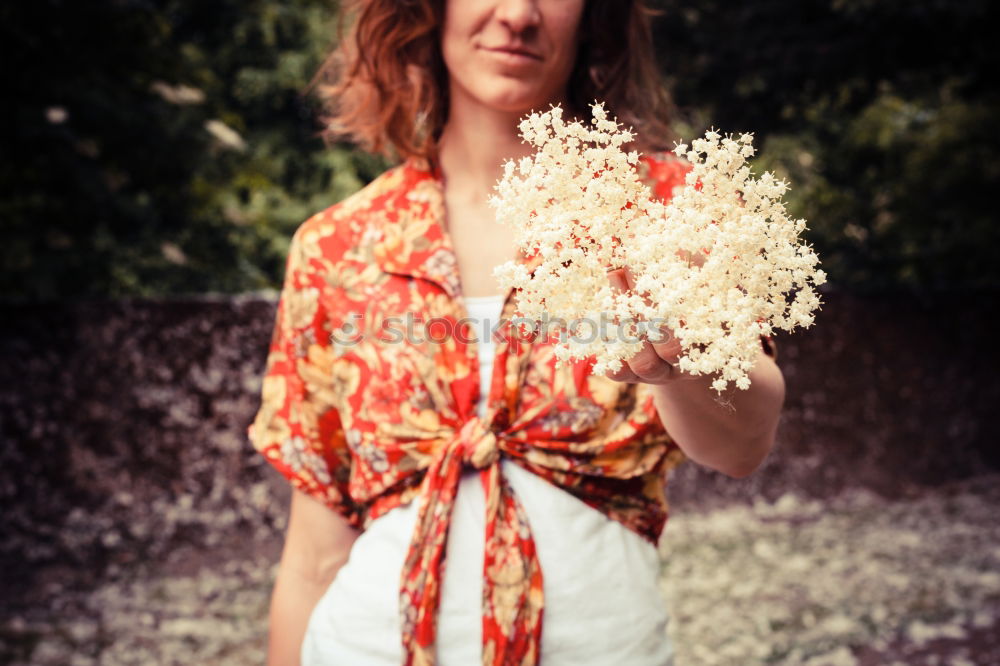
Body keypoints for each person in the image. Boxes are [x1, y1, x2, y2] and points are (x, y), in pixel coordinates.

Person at [246, 0, 787, 664]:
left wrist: (676, 356)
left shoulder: (669, 211)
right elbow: (313, 558)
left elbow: (742, 444)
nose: (518, 14)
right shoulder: (339, 247)